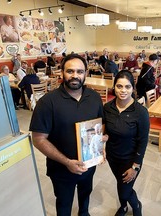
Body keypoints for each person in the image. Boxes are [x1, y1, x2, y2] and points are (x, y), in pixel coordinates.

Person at [29, 54, 105, 216]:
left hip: (88, 164)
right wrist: (67, 162)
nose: (75, 75)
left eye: (80, 71)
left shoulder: (94, 97)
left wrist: (100, 145)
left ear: (86, 73)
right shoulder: (47, 102)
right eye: (70, 71)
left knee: (85, 197)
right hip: (61, 170)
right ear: (62, 72)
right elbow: (38, 139)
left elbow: (99, 126)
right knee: (64, 205)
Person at [103, 70, 149, 216]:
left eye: (127, 87)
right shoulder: (107, 108)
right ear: (114, 87)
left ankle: (136, 206)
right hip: (112, 156)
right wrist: (102, 140)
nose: (123, 91)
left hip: (130, 159)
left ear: (133, 88)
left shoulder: (140, 112)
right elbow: (105, 131)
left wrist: (135, 167)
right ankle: (123, 207)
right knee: (120, 183)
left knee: (125, 191)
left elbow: (143, 141)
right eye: (119, 86)